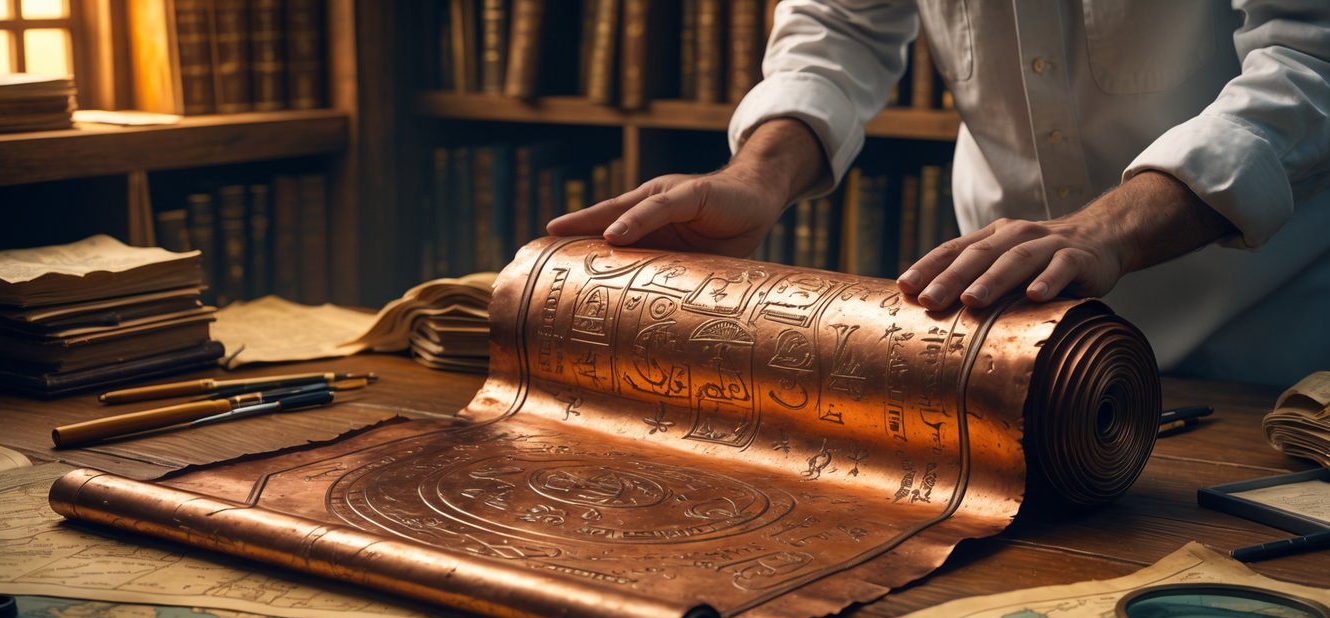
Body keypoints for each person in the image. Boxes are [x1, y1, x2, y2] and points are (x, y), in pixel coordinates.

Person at [548, 1, 1330, 387]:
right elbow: (838, 25)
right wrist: (753, 178)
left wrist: (1109, 231)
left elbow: (1307, 58)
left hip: (1264, 353)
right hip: (1008, 338)